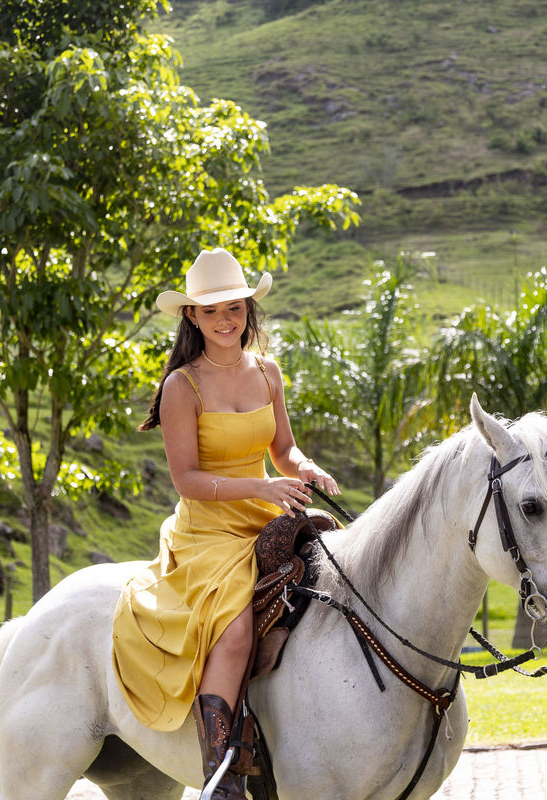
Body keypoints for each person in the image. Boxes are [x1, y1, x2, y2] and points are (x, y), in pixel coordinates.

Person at [111, 247, 339, 799]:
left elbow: (283, 450)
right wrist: (261, 486)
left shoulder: (268, 371)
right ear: (191, 316)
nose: (224, 319)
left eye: (233, 307)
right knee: (235, 629)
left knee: (338, 583)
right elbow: (187, 479)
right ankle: (221, 773)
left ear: (247, 309)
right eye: (211, 311)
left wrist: (307, 468)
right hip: (208, 531)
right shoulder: (181, 387)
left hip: (267, 514)